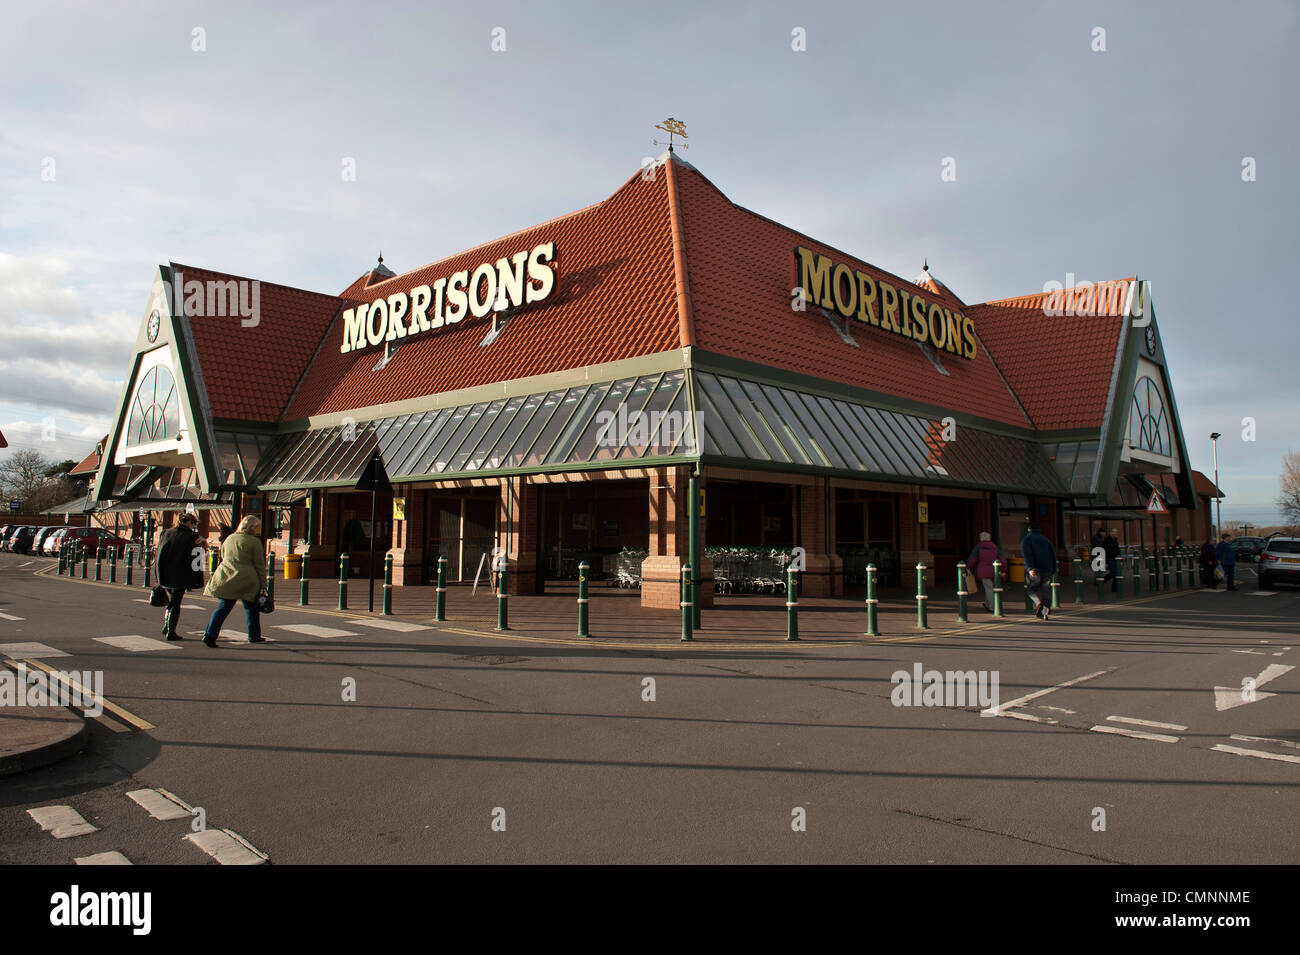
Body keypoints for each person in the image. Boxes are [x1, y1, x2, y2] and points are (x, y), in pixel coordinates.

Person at [203, 515, 268, 646]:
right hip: (247, 579)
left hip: (227, 576)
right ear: (252, 527)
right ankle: (254, 635)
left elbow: (223, 556)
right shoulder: (254, 542)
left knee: (223, 608)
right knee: (251, 609)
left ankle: (210, 634)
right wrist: (264, 584)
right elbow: (259, 565)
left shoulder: (230, 538)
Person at [155, 512, 205, 640]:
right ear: (188, 522)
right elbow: (197, 557)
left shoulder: (166, 532)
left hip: (165, 573)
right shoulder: (191, 536)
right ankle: (171, 632)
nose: (193, 527)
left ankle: (166, 627)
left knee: (172, 601)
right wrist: (204, 544)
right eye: (193, 524)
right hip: (181, 574)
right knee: (176, 602)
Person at [1021, 523, 1058, 621]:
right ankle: (1045, 613)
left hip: (1035, 570)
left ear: (1029, 530)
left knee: (1031, 589)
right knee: (1046, 591)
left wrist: (1030, 568)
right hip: (1047, 570)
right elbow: (1053, 556)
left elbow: (1027, 555)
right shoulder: (1046, 540)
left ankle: (1038, 603)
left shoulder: (1027, 540)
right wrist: (1054, 569)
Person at [966, 531, 1002, 612]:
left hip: (983, 570)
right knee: (991, 588)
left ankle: (992, 607)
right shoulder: (994, 547)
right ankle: (987, 603)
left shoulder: (978, 547)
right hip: (995, 570)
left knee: (988, 588)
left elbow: (972, 559)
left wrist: (968, 567)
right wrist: (1003, 569)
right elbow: (1002, 558)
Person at [1103, 529, 1121, 593]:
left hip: (1115, 558)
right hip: (1110, 558)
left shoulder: (1115, 540)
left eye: (1116, 532)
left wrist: (1119, 556)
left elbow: (1117, 548)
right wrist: (1112, 554)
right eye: (1114, 532)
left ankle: (1114, 589)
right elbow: (1107, 550)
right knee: (1113, 573)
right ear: (1111, 533)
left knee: (1116, 573)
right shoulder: (1107, 540)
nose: (1116, 533)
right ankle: (1103, 580)